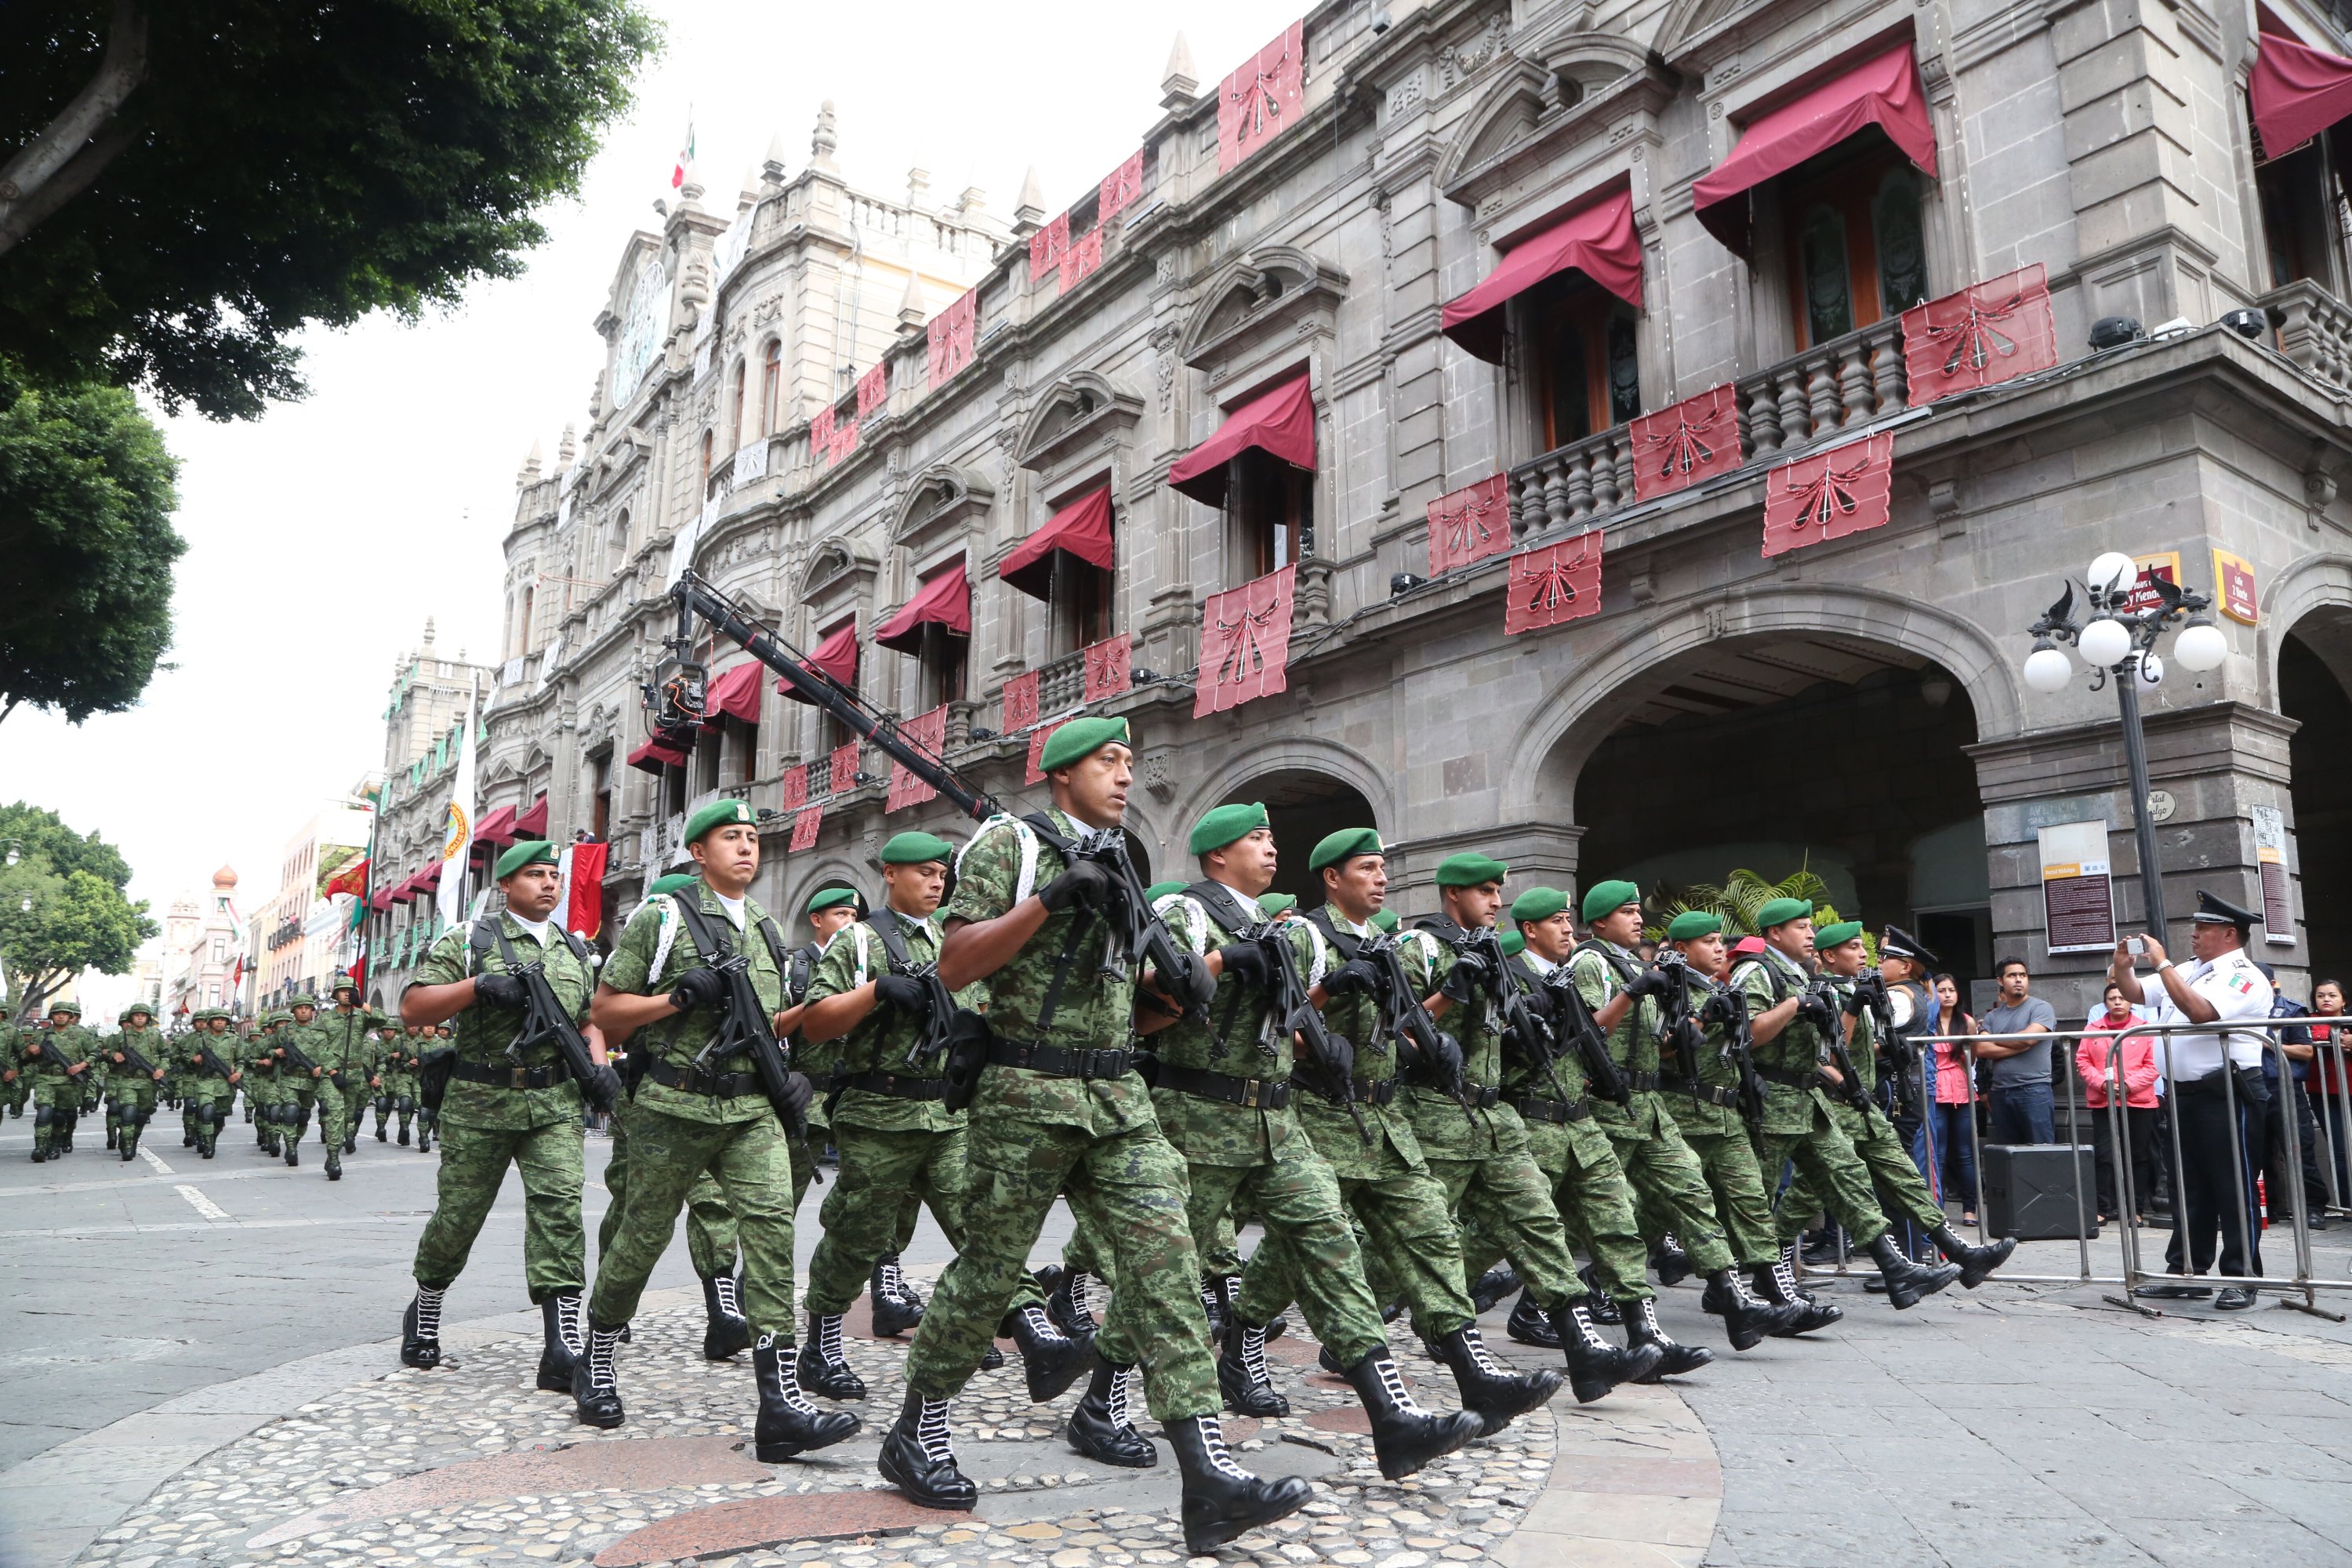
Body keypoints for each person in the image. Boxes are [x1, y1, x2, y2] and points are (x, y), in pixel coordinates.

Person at [883, 718, 1313, 1555]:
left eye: (1126, 761)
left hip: (1117, 1091)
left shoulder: (1121, 860)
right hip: (1025, 1088)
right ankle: (918, 1425)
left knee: (1166, 1267)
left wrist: (1182, 987)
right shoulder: (1009, 841)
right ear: (1060, 775)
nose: (1124, 774)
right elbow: (956, 962)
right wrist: (1051, 898)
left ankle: (1207, 1472)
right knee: (989, 1272)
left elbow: (1130, 1001)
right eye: (1106, 762)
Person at [1138, 805, 1486, 1475]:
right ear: (1216, 856)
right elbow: (1147, 1013)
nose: (1272, 848)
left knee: (1331, 1246)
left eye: (1272, 837)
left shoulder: (1283, 933)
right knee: (1162, 1275)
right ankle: (1104, 1396)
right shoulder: (1186, 913)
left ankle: (1392, 1414)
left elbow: (1293, 1022)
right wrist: (1222, 960)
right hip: (1200, 1120)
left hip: (1278, 1122)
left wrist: (1328, 1015)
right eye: (1257, 838)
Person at [1232, 827, 1566, 1421]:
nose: (1382, 878)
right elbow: (1271, 1028)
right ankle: (1243, 1341)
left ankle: (1472, 1368)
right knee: (1294, 1250)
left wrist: (1436, 1033)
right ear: (1333, 879)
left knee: (1433, 1236)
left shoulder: (1388, 942)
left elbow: (1403, 1031)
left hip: (1387, 1119)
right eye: (1367, 869)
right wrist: (1329, 991)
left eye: (1383, 869)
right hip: (1321, 1118)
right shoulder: (1304, 936)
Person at [582, 801, 853, 1462]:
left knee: (769, 1235)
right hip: (672, 1107)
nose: (747, 848)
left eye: (754, 838)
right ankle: (596, 1356)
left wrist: (796, 1064)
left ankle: (780, 1403)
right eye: (731, 837)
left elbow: (769, 1021)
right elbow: (606, 1013)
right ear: (698, 852)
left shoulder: (764, 926)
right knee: (641, 1235)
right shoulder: (662, 918)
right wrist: (676, 999)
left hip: (751, 1109)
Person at [795, 833, 1059, 1406]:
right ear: (889, 874)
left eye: (943, 873)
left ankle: (1036, 1332)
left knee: (985, 1225)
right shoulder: (859, 941)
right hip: (878, 1115)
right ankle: (821, 1345)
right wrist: (877, 991)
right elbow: (815, 1024)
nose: (937, 883)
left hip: (949, 1113)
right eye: (923, 873)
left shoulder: (960, 941)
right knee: (857, 1235)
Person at [401, 840, 622, 1389]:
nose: (549, 884)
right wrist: (476, 986)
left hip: (553, 1103)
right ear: (505, 885)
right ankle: (426, 1306)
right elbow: (412, 1008)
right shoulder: (470, 940)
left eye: (554, 875)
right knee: (460, 1218)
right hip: (480, 1102)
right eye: (534, 875)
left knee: (560, 1213)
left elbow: (589, 1018)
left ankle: (561, 1341)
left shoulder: (575, 948)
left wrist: (597, 1068)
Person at [1565, 881, 1795, 1357]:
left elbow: (1662, 1045)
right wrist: (1633, 991)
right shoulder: (1591, 962)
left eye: (1637, 912)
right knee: (1595, 1216)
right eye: (1627, 912)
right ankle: (1538, 1306)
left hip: (1648, 1106)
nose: (1638, 920)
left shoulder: (1635, 964)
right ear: (1602, 921)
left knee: (1690, 1192)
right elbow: (1588, 1032)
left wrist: (1698, 1024)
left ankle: (1734, 1301)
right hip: (1611, 1106)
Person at [1731, 901, 1960, 1307]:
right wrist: (1795, 1005)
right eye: (1800, 927)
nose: (1809, 933)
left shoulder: (1799, 975)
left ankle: (1896, 1268)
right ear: (1774, 934)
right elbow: (1750, 1034)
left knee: (1848, 1176)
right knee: (1756, 1199)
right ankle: (1733, 1286)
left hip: (1812, 1101)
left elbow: (1828, 1047)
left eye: (1808, 926)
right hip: (1774, 1102)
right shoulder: (1759, 970)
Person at [595, 871, 755, 1363]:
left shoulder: (731, 943)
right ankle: (610, 1308)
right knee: (633, 1206)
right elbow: (602, 1016)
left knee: (712, 1201)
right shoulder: (654, 941)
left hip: (709, 1099)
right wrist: (674, 999)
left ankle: (723, 1309)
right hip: (647, 1096)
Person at [1655, 911, 1840, 1334]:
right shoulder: (1668, 987)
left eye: (1720, 939)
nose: (1720, 948)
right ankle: (1598, 1290)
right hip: (1685, 1115)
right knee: (1652, 1210)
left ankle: (1774, 1298)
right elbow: (1662, 1049)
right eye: (1708, 941)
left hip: (1726, 1115)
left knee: (1752, 1204)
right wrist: (1702, 1018)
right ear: (1682, 949)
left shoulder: (1721, 986)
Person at [2115, 891, 2276, 1308]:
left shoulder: (2244, 975)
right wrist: (2123, 967)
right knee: (2190, 1187)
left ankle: (2243, 1275)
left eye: (2203, 928)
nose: (2195, 934)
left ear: (2228, 934)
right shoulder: (2190, 968)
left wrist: (2163, 964)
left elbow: (2201, 1013)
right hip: (2184, 1094)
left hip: (2226, 1092)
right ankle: (2187, 1270)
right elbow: (2135, 994)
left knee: (2233, 1186)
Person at [2078, 983, 2160, 1223]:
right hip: (2103, 1102)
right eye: (2112, 998)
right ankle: (2103, 1208)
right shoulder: (2093, 1029)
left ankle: (2136, 1209)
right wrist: (2102, 1083)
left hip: (2139, 1102)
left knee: (2138, 1156)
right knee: (2104, 1156)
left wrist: (2128, 1085)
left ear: (2131, 1002)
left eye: (2122, 997)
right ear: (2105, 1003)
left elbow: (2153, 1064)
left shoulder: (2144, 1030)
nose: (2117, 1002)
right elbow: (2083, 1062)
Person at [1973, 959, 2058, 1145]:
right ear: (2000, 981)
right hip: (2001, 1092)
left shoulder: (2041, 1008)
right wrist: (2021, 1044)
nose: (2019, 980)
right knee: (2010, 1156)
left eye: (2023, 975)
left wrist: (1994, 1037)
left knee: (2041, 1152)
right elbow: (1981, 1048)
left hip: (2034, 1090)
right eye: (2012, 975)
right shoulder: (1992, 1016)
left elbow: (2028, 1038)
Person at [1928, 974, 1980, 1222]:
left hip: (1960, 1088)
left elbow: (1974, 1056)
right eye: (1941, 990)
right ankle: (1937, 1208)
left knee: (1965, 1153)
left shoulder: (1967, 1022)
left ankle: (1970, 1209)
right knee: (1937, 1153)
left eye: (1951, 989)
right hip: (1935, 1088)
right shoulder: (1928, 1020)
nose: (1947, 994)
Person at [22, 1001, 96, 1160]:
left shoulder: (80, 1034)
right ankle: (40, 1147)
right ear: (52, 1016)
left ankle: (55, 1144)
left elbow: (95, 1053)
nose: (61, 1016)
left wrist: (81, 1066)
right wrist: (30, 1051)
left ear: (70, 1017)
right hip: (46, 1079)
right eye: (57, 1013)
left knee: (60, 1116)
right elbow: (24, 1058)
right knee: (44, 1112)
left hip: (69, 1081)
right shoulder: (41, 1034)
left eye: (65, 1013)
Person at [101, 1004, 169, 1162]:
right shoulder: (121, 1037)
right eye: (137, 1015)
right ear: (131, 1018)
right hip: (127, 1081)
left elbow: (166, 1054)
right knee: (128, 1112)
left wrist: (162, 1069)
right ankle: (127, 1144)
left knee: (141, 1115)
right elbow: (104, 1052)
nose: (140, 1018)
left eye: (143, 1015)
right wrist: (114, 1055)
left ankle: (133, 1138)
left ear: (147, 1018)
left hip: (148, 1082)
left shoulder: (155, 1035)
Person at [2310, 979, 2350, 1207]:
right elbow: (2313, 1037)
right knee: (2340, 1150)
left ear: (2343, 1000)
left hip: (2349, 1090)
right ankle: (2348, 1205)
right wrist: (2336, 1038)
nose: (2326, 999)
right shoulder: (2310, 1020)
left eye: (2332, 995)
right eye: (2321, 995)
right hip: (2326, 1094)